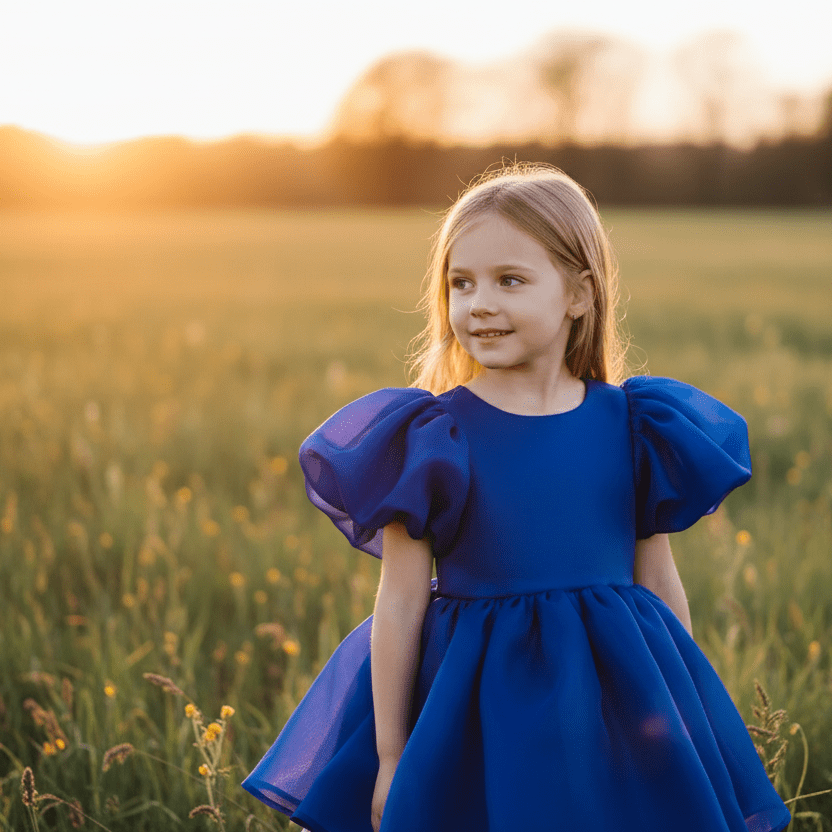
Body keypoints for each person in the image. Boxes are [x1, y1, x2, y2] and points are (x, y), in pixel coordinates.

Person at [242, 163, 792, 832]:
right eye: (460, 284)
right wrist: (391, 755)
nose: (479, 304)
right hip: (479, 703)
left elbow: (656, 577)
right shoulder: (432, 436)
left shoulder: (635, 425)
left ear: (579, 296)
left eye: (510, 281)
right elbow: (401, 600)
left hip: (611, 693)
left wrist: (682, 712)